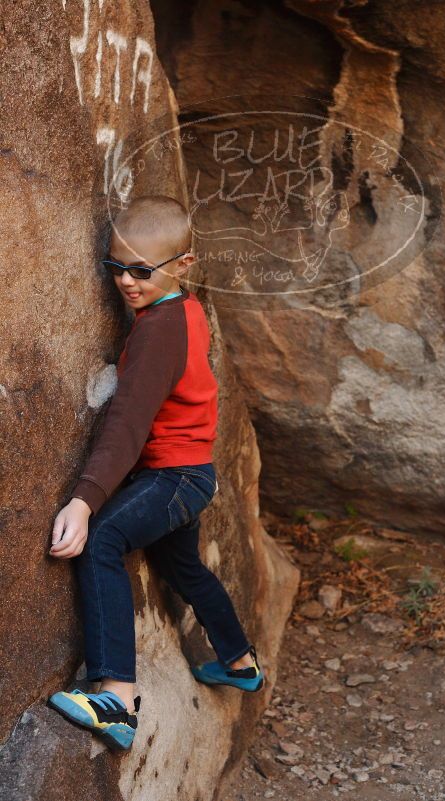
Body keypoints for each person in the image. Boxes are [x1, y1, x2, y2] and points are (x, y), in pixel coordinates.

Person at [46, 195, 264, 752]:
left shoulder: (158, 330)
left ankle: (115, 699)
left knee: (102, 541)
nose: (125, 281)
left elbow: (128, 421)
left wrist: (85, 500)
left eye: (141, 270)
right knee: (184, 567)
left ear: (184, 263)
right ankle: (239, 661)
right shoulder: (181, 308)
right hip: (191, 476)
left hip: (174, 478)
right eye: (115, 267)